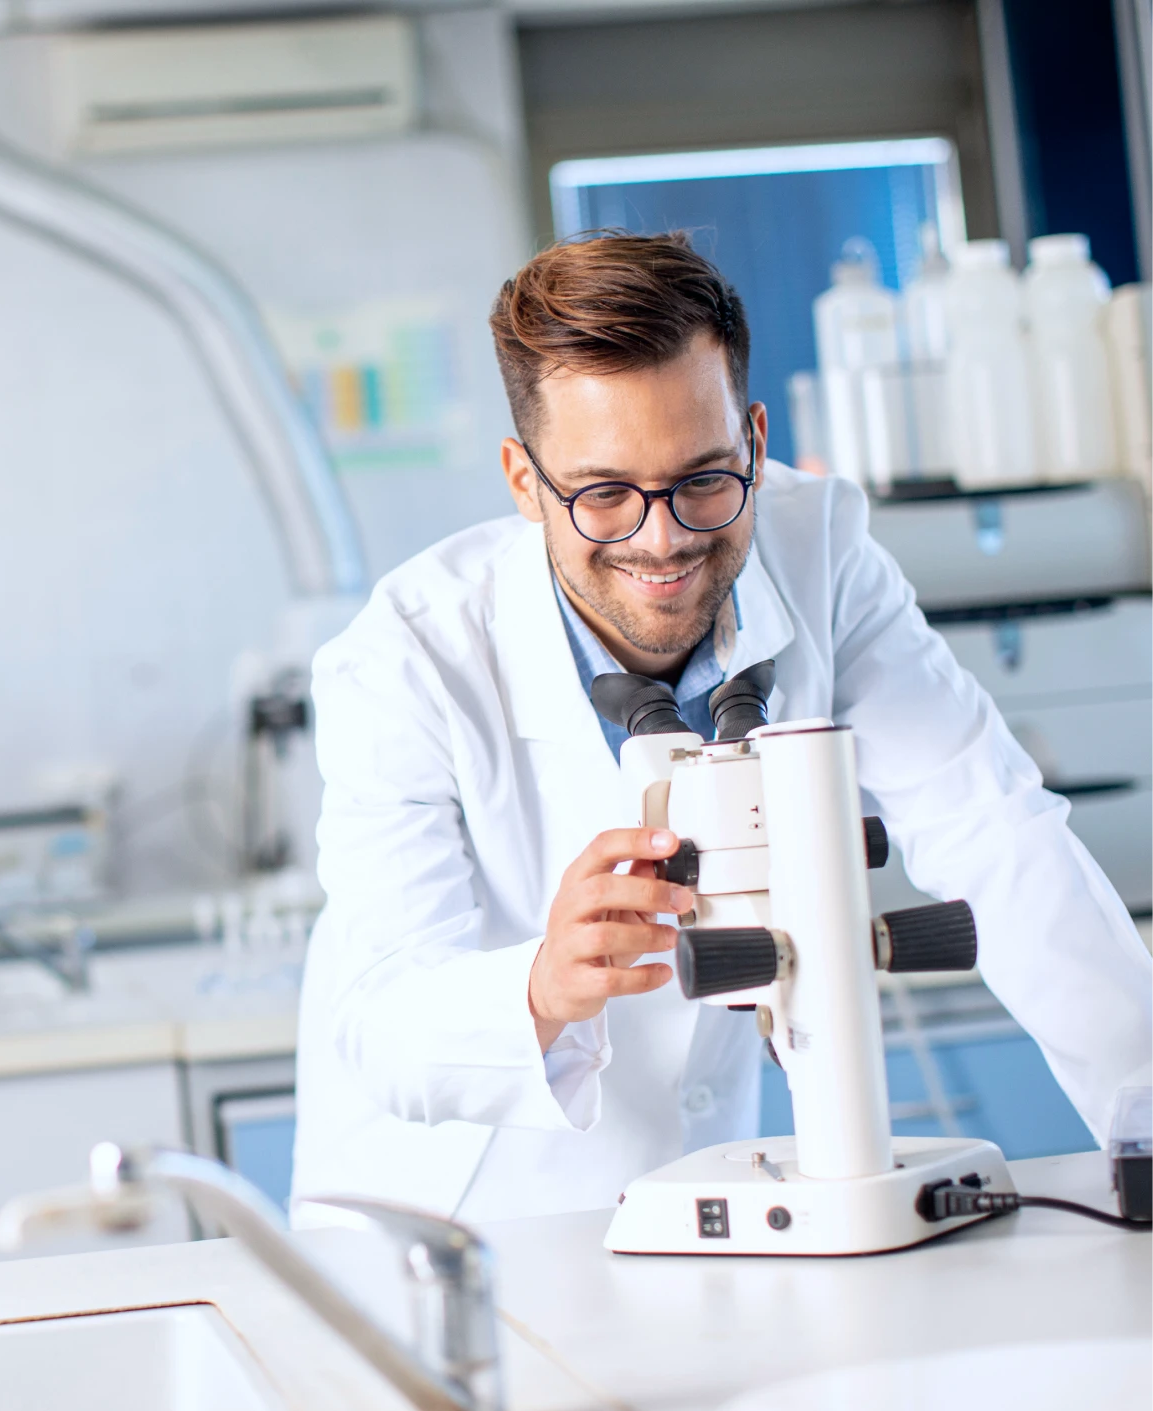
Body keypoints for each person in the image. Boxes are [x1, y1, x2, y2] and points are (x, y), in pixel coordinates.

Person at [292, 233, 1153, 1224]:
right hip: (450, 1222)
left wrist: (1146, 1121)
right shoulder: (408, 659)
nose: (663, 539)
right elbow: (380, 1022)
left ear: (752, 436)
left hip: (705, 1190)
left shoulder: (817, 546)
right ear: (525, 481)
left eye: (704, 479)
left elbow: (995, 832)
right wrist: (540, 982)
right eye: (605, 494)